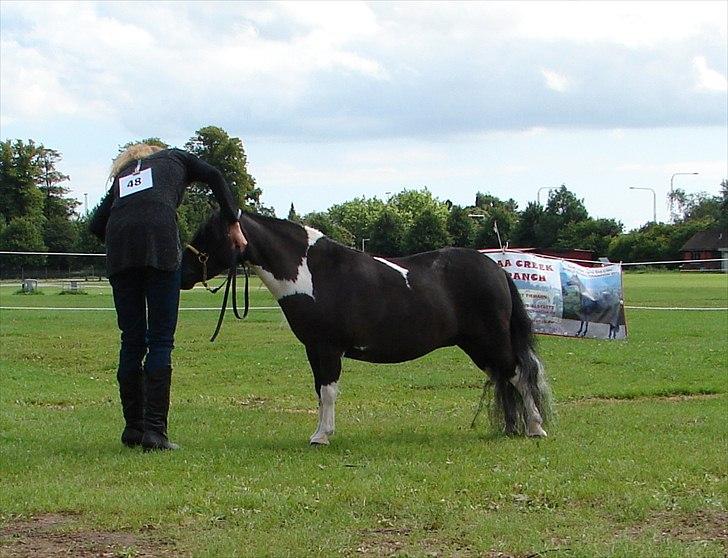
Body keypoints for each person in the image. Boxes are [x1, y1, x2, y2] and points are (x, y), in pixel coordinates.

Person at [90, 143, 247, 451]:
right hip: (159, 242)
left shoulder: (124, 175)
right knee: (160, 341)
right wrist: (232, 222)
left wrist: (127, 236)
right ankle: (155, 433)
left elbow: (97, 224)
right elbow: (214, 175)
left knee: (131, 340)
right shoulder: (175, 156)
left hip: (120, 251)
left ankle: (133, 429)